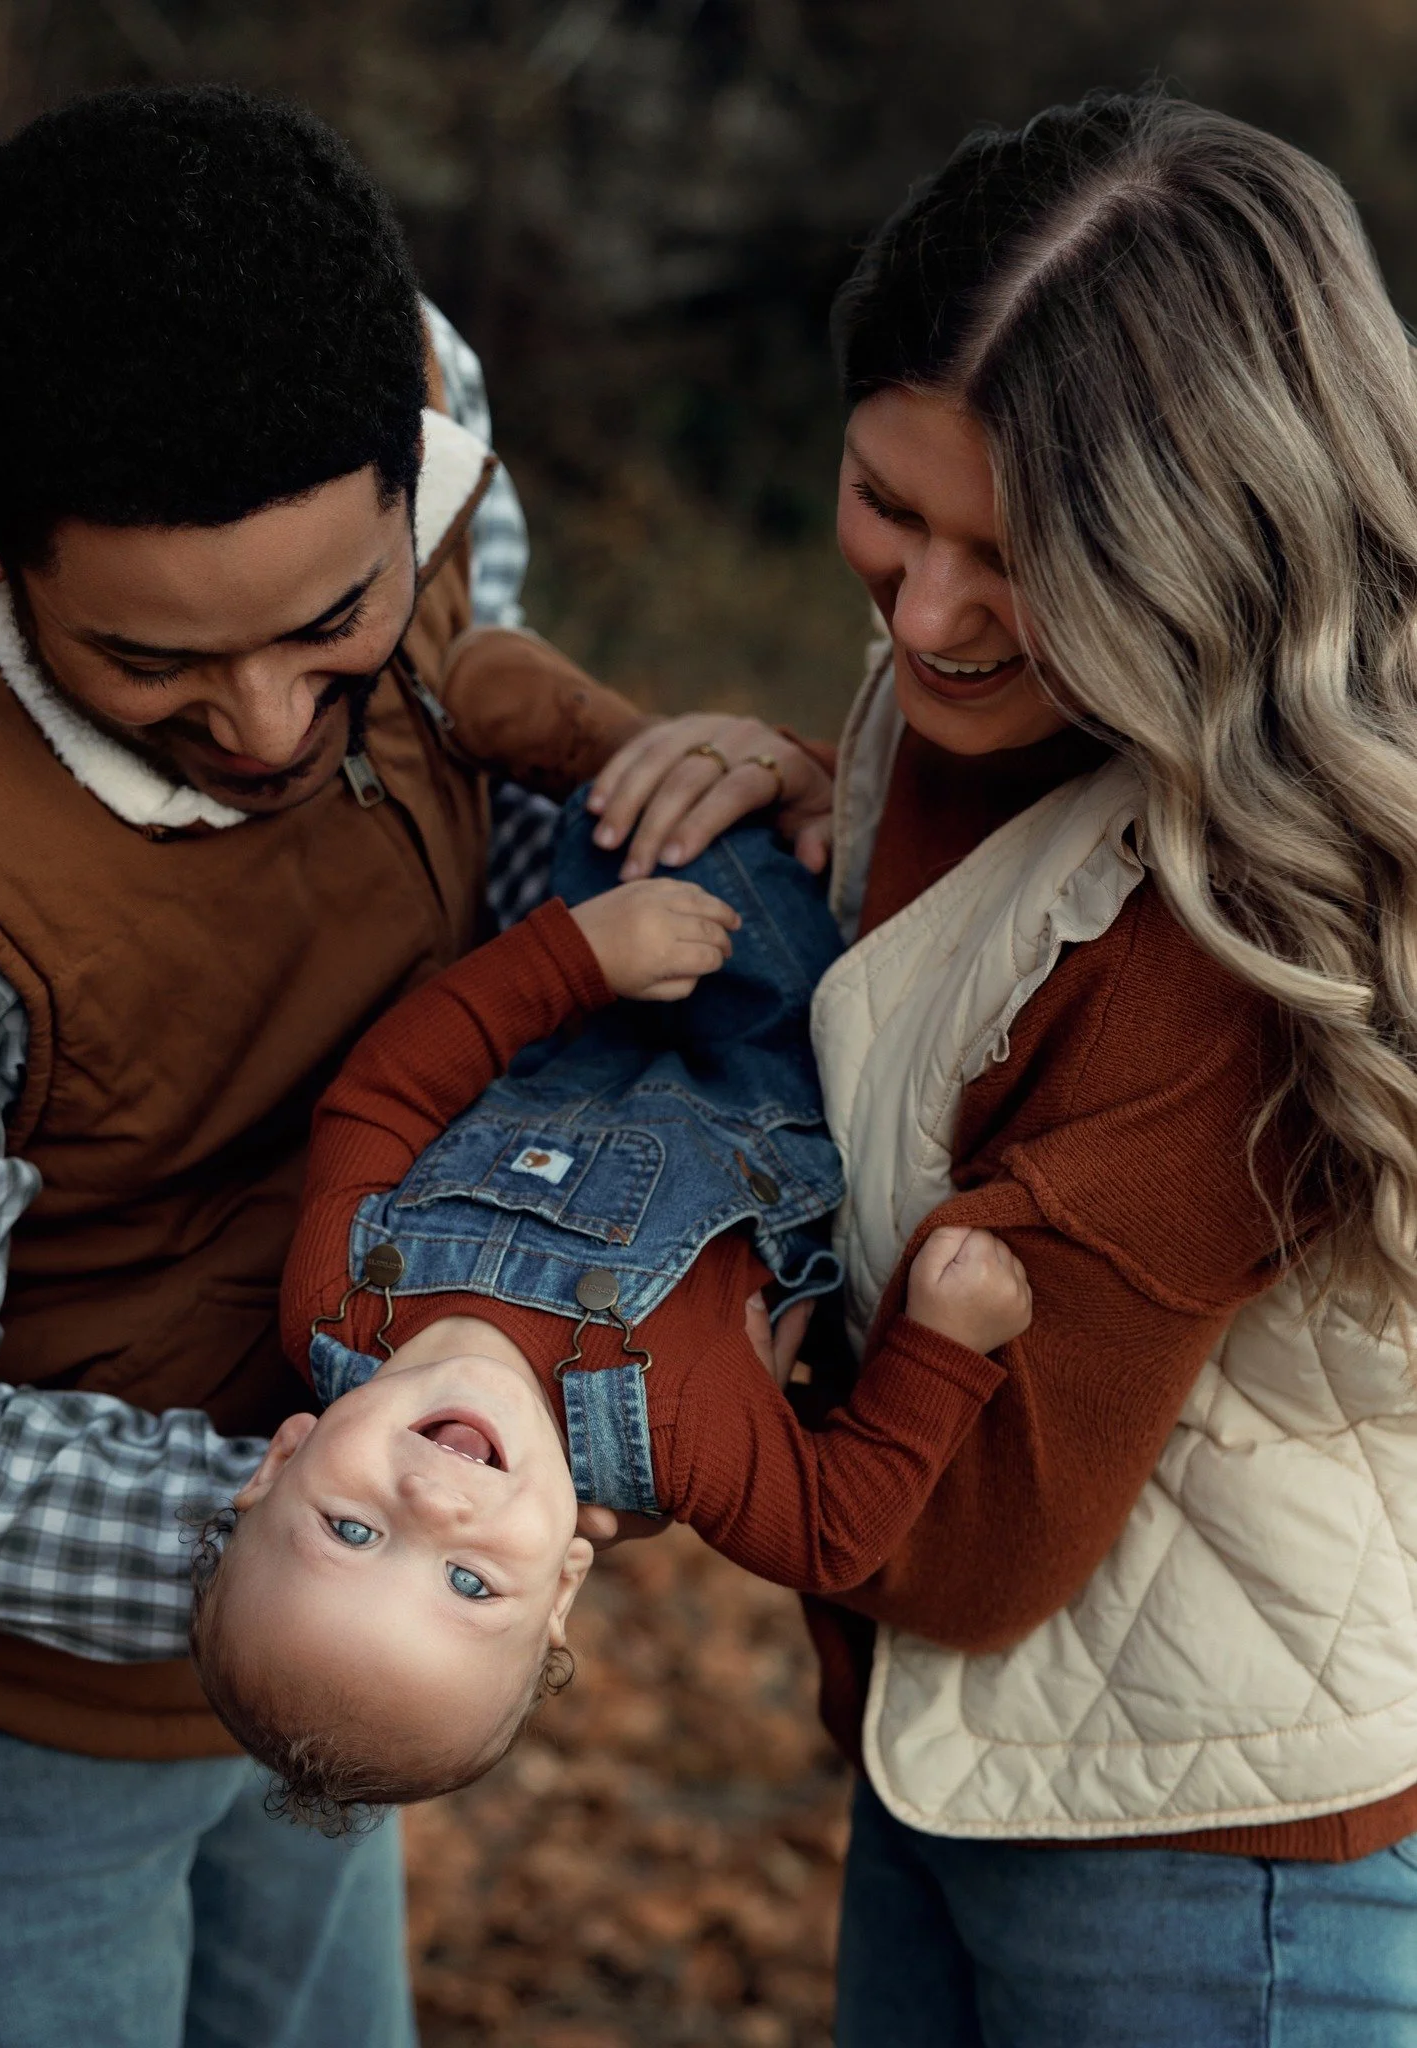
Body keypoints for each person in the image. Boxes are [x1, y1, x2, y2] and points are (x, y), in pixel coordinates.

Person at [0, 85, 832, 2047]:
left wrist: (673, 812)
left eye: (328, 621)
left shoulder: (409, 382)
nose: (266, 726)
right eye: (158, 669)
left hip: (316, 1656)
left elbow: (449, 745)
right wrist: (390, 1524)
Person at [717, 89, 1417, 2047]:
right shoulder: (993, 697)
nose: (927, 613)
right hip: (971, 1765)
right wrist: (752, 817)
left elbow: (975, 1540)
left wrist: (647, 1381)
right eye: (888, 504)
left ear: (1200, 546)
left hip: (1209, 1870)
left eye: (1015, 556)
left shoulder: (1218, 948)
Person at [186, 799, 1030, 1824]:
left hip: (585, 1002)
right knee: (786, 847)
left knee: (628, 816)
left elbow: (382, 1096)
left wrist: (569, 958)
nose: (433, 1507)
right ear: (561, 1584)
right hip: (785, 1036)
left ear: (279, 1458)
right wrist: (942, 1346)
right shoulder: (676, 1437)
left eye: (352, 1528)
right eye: (467, 1583)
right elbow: (832, 1531)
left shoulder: (339, 1299)